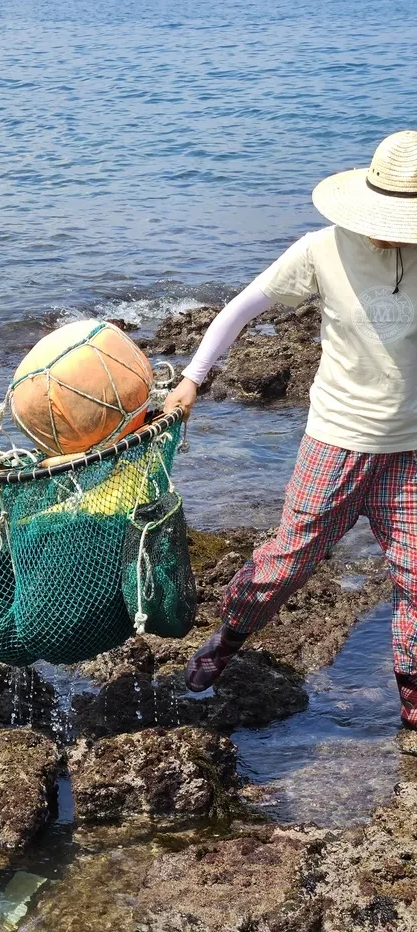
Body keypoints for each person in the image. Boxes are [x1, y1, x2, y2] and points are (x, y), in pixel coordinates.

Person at [163, 131, 417, 730]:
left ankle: (411, 692)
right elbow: (240, 309)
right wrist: (193, 381)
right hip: (336, 441)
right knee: (287, 561)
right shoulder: (321, 249)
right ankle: (225, 643)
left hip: (412, 450)